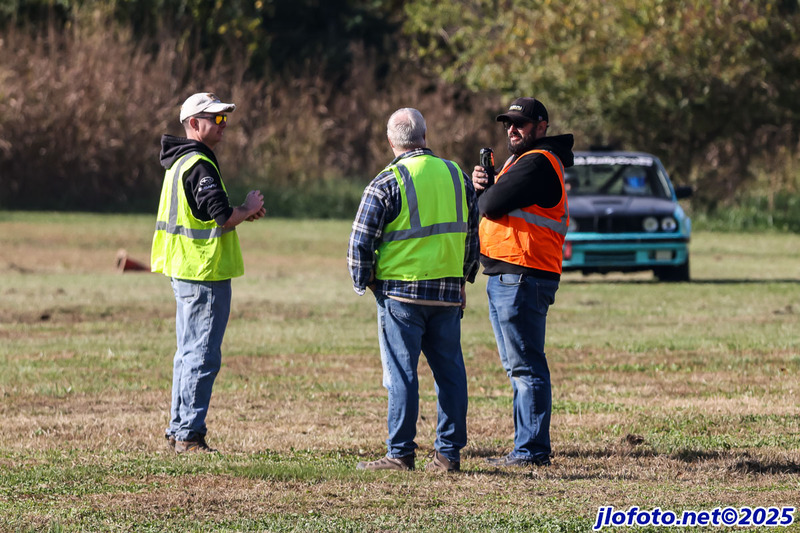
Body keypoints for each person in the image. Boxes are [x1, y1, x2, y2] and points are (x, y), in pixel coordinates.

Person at [348, 108, 480, 472]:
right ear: (425, 136)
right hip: (447, 295)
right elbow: (472, 233)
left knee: (403, 374)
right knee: (451, 374)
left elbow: (360, 243)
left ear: (391, 141)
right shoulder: (458, 175)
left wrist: (367, 282)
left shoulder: (386, 182)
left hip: (401, 296)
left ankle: (400, 453)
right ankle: (448, 455)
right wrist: (464, 278)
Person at [151, 92, 266, 454]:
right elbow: (221, 216)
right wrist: (246, 208)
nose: (223, 124)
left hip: (184, 268)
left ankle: (178, 428)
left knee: (187, 352)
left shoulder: (179, 162)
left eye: (224, 118)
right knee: (202, 354)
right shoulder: (199, 164)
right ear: (194, 124)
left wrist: (243, 212)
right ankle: (189, 434)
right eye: (216, 119)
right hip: (205, 271)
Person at [471, 97, 574, 467]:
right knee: (519, 366)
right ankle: (526, 446)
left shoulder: (537, 163)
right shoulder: (523, 163)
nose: (512, 129)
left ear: (541, 127)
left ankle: (530, 450)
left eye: (521, 123)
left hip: (523, 274)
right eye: (508, 124)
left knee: (526, 366)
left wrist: (486, 190)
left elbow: (489, 205)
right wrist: (485, 183)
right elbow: (493, 200)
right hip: (512, 274)